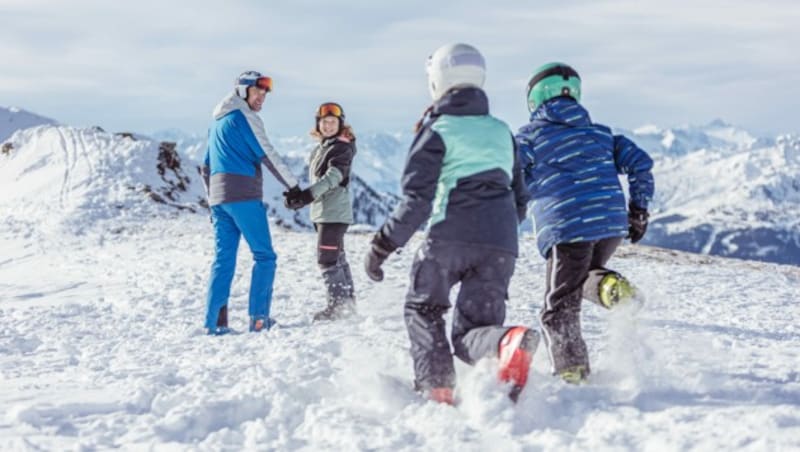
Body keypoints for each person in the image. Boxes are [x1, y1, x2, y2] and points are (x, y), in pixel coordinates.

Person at [364, 43, 536, 404]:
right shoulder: (503, 132)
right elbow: (521, 197)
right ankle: (506, 341)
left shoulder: (438, 130)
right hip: (502, 242)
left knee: (423, 307)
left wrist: (382, 246)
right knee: (474, 331)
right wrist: (496, 233)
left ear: (436, 82)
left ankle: (437, 387)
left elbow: (417, 202)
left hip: (449, 236)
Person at [515, 62, 655, 383]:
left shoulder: (530, 136)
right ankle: (610, 287)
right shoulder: (601, 134)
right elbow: (641, 164)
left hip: (567, 227)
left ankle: (571, 373)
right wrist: (638, 210)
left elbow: (507, 170)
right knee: (582, 277)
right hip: (609, 225)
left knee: (558, 308)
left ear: (535, 99)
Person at [201, 70, 300, 335]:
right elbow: (268, 155)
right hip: (244, 196)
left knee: (223, 261)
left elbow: (205, 166)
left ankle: (214, 323)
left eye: (265, 94)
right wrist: (294, 187)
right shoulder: (245, 117)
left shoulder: (217, 121)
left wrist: (213, 201)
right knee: (265, 256)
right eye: (257, 92)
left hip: (219, 200)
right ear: (243, 91)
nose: (262, 98)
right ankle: (259, 320)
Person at [284, 102, 357, 321]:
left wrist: (306, 196)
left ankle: (337, 308)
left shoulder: (341, 148)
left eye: (332, 122)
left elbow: (333, 178)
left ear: (340, 124)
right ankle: (347, 307)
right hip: (326, 212)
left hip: (333, 213)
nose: (328, 126)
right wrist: (299, 195)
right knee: (337, 258)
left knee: (327, 260)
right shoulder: (324, 147)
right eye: (324, 122)